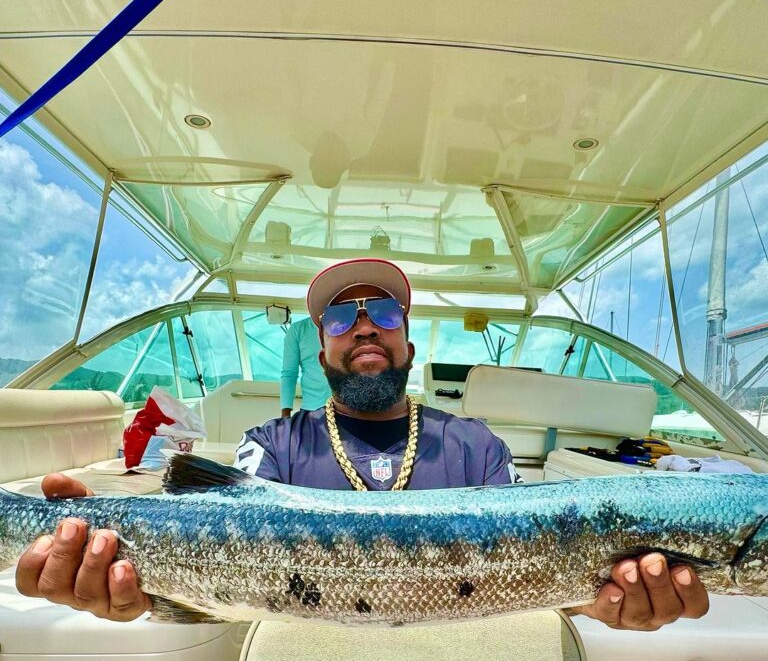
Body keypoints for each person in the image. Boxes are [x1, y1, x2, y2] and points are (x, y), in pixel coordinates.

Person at [15, 258, 710, 630]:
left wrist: (602, 600)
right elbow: (205, 555)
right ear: (319, 350)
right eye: (341, 316)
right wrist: (140, 595)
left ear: (408, 338)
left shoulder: (476, 448)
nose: (364, 326)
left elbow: (534, 568)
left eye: (382, 310)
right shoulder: (271, 444)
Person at [280, 314, 331, 418]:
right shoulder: (297, 330)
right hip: (312, 410)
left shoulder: (348, 327)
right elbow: (289, 374)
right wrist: (285, 415)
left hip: (347, 410)